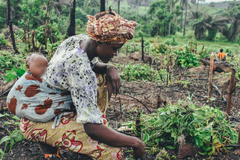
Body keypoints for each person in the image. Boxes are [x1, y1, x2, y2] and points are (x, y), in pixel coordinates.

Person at [7, 7, 145, 160]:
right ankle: (52, 139)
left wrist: (110, 68)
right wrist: (134, 142)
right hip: (35, 122)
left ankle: (57, 149)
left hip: (46, 107)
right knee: (113, 152)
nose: (115, 54)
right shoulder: (79, 69)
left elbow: (92, 65)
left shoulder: (77, 41)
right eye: (114, 49)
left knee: (100, 77)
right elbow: (91, 128)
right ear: (99, 41)